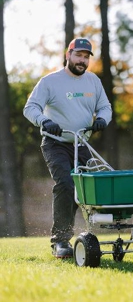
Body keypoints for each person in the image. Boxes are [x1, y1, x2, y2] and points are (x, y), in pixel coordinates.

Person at [24, 37, 112, 258]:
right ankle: (60, 241)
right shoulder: (50, 82)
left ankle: (98, 234)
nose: (82, 61)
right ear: (68, 55)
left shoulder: (93, 82)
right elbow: (30, 107)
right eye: (78, 55)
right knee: (66, 183)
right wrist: (44, 121)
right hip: (56, 144)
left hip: (81, 143)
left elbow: (105, 107)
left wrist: (102, 119)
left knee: (93, 187)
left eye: (86, 57)